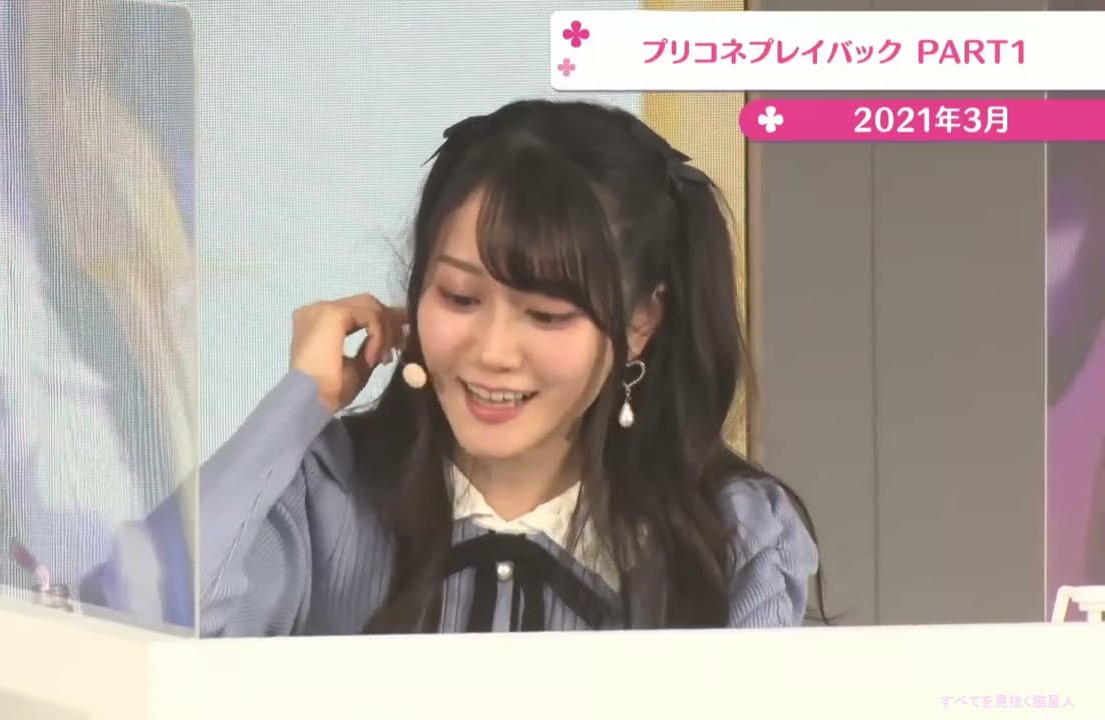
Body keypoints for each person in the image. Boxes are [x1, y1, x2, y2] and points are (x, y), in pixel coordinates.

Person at [80, 99, 828, 634]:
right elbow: (127, 632)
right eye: (460, 297)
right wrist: (301, 399)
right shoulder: (320, 496)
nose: (492, 351)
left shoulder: (736, 533)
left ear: (640, 325)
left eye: (547, 315)